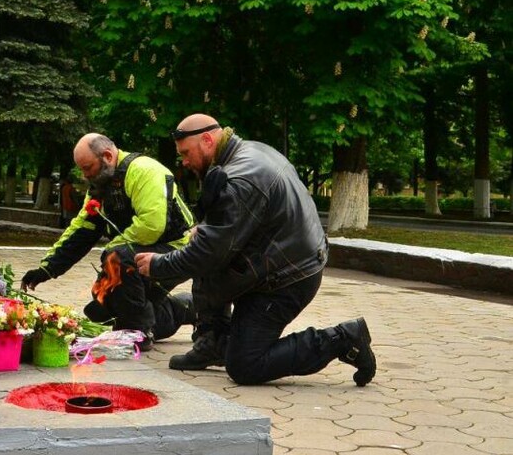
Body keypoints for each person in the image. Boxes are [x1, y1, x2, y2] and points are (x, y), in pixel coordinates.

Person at [134, 114, 377, 386]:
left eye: (186, 153)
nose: (185, 162)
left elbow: (209, 252)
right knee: (204, 244)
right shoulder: (250, 151)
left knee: (245, 365)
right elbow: (220, 236)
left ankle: (343, 338)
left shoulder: (240, 179)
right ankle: (213, 341)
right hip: (276, 263)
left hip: (288, 278)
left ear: (207, 139)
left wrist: (158, 264)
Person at [20, 133, 197, 350]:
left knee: (118, 264)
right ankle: (189, 309)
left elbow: (152, 225)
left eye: (87, 168)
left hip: (179, 251)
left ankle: (138, 333)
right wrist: (46, 269)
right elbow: (82, 231)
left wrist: (112, 252)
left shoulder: (144, 170)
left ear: (107, 156)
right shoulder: (101, 184)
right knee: (102, 298)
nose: (85, 176)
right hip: (135, 253)